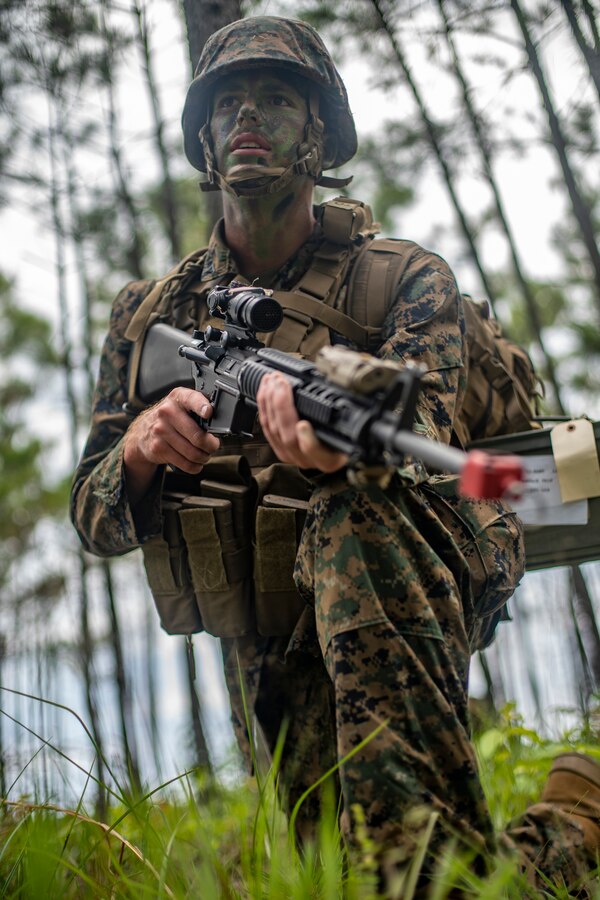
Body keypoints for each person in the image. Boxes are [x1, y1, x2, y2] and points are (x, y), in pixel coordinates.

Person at [70, 15, 600, 893]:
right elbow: (92, 516)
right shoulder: (148, 314)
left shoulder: (403, 278)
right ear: (203, 137)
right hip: (265, 627)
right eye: (228, 103)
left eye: (275, 101)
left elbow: (429, 437)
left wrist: (337, 457)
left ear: (319, 133)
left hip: (408, 568)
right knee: (357, 877)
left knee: (415, 869)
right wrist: (137, 450)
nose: (247, 118)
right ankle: (576, 823)